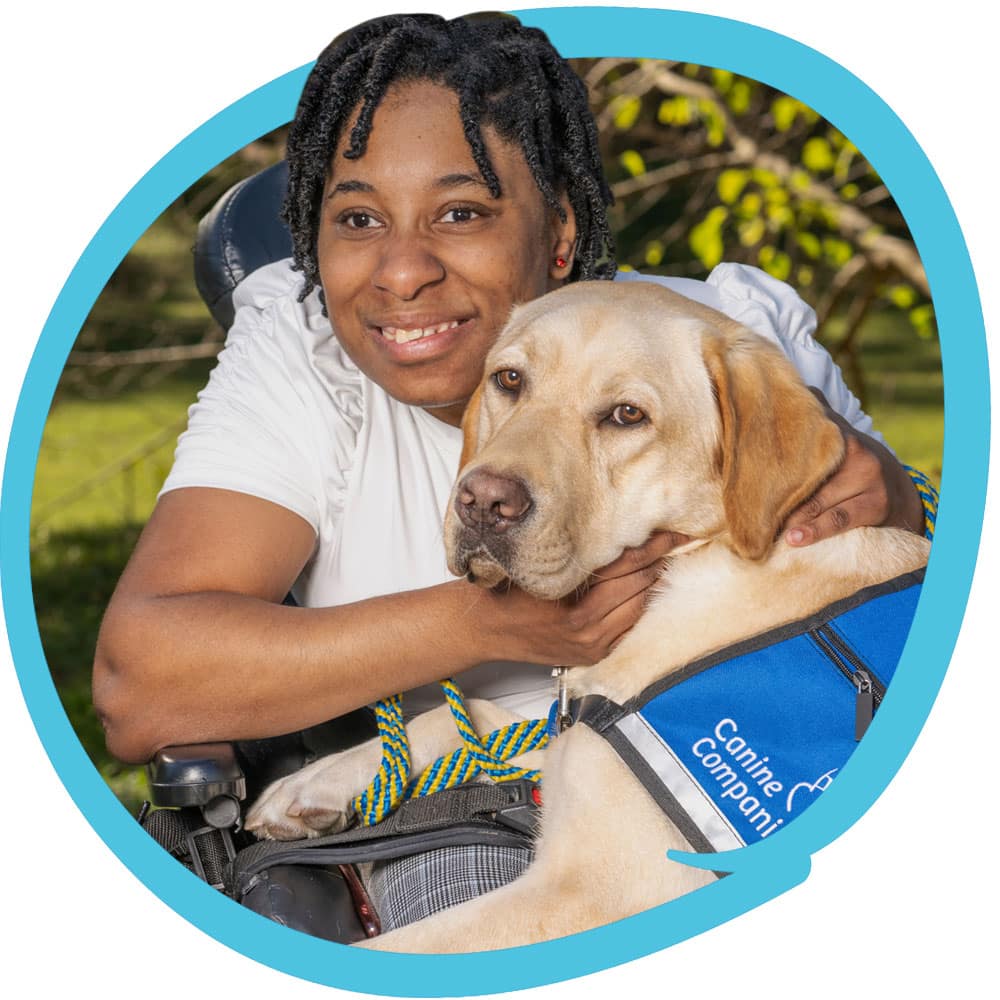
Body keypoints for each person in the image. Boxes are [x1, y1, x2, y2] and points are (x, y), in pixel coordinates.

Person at [92, 12, 927, 929]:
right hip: (471, 811)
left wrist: (889, 489)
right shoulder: (306, 355)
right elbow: (141, 687)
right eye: (358, 218)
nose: (403, 271)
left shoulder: (731, 342)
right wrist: (492, 623)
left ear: (559, 234)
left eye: (463, 212)